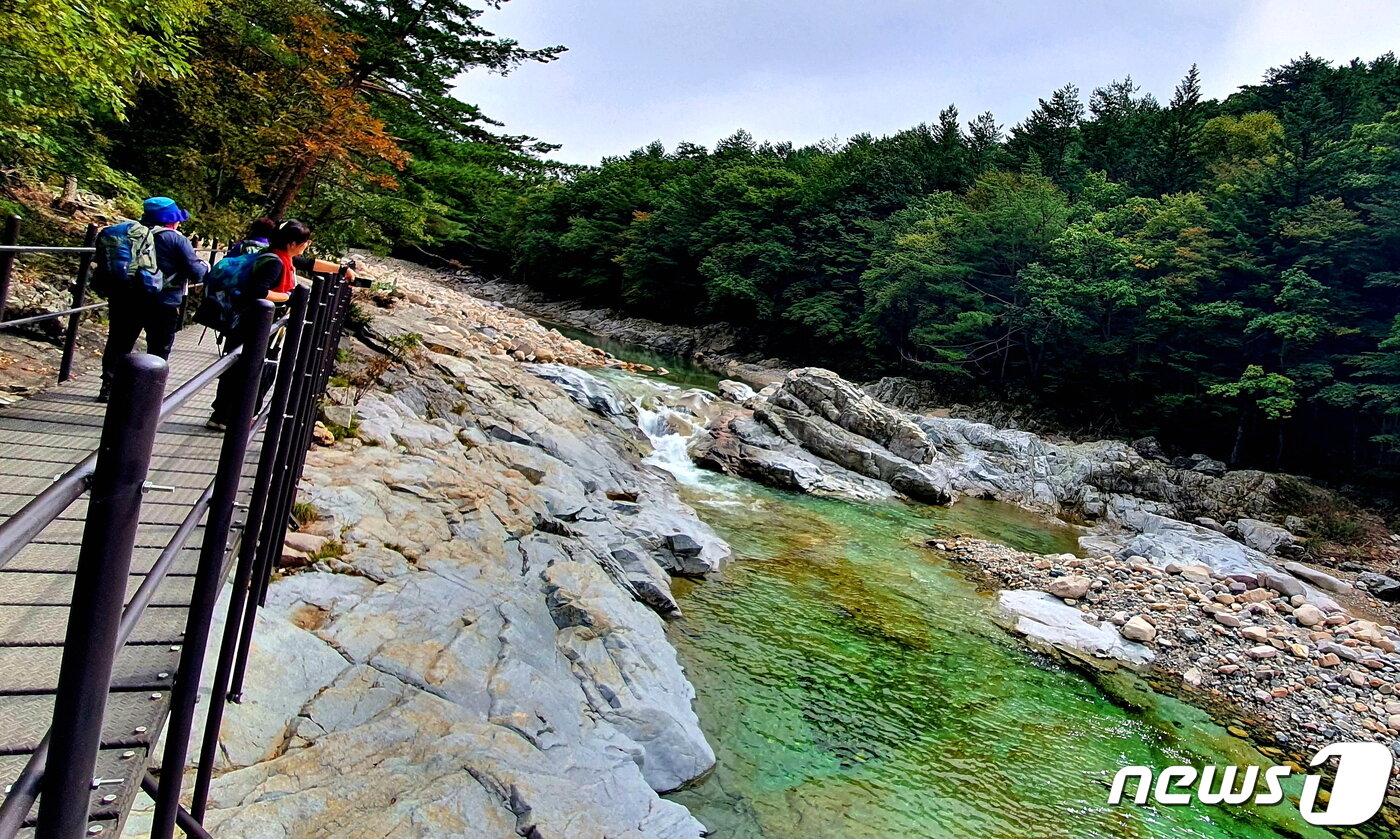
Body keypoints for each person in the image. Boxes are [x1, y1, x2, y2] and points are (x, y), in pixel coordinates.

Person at [206, 219, 356, 429]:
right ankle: (239, 419)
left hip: (248, 323)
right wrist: (288, 297)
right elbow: (257, 291)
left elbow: (310, 264)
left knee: (237, 369)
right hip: (258, 326)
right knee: (260, 370)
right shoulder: (275, 263)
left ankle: (222, 415)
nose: (307, 245)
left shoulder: (275, 256)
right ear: (292, 243)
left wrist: (342, 270)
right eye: (305, 242)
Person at [98, 197, 209, 402]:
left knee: (119, 342)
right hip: (162, 301)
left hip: (125, 298)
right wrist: (205, 267)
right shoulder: (175, 238)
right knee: (158, 347)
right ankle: (148, 392)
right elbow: (196, 272)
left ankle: (108, 386)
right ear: (171, 220)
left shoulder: (129, 234)